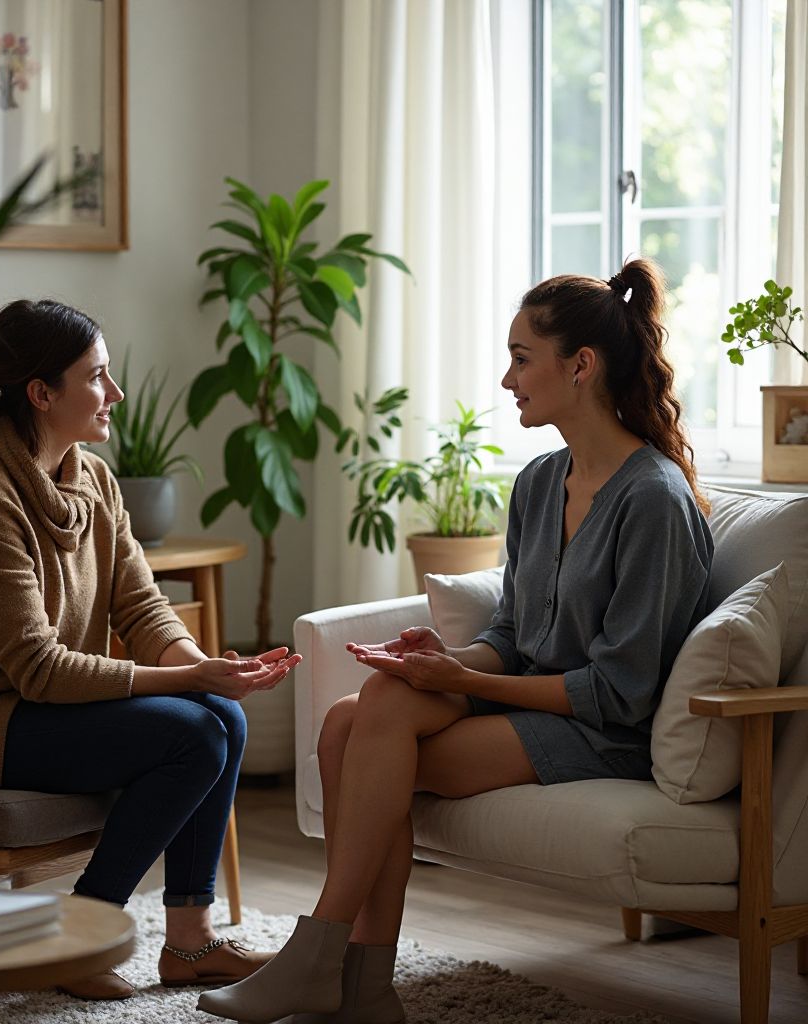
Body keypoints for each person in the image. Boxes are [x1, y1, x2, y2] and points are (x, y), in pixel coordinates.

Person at [196, 257, 714, 1024]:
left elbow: (618, 692)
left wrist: (464, 684)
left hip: (604, 732)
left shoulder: (655, 501)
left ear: (581, 367)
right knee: (354, 716)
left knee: (365, 739)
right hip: (531, 707)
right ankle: (363, 986)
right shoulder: (539, 483)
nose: (508, 380)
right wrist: (446, 662)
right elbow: (511, 634)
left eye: (521, 359)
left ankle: (324, 958)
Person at [0, 298, 300, 1001]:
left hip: (37, 712)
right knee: (195, 735)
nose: (114, 392)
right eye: (96, 376)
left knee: (223, 716)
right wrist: (192, 679)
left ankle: (191, 942)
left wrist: (206, 670)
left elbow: (141, 607)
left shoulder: (93, 480)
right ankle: (82, 937)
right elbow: (38, 668)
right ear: (41, 393)